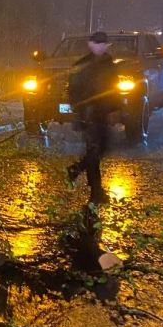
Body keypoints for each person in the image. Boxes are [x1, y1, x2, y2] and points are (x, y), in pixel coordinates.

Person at [66, 31, 119, 204]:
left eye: (104, 44)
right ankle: (96, 192)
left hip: (102, 112)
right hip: (88, 114)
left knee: (101, 149)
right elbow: (73, 91)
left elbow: (114, 87)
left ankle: (77, 169)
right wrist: (79, 109)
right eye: (98, 44)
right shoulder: (82, 65)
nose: (101, 47)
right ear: (91, 44)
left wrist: (115, 108)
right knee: (95, 150)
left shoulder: (109, 63)